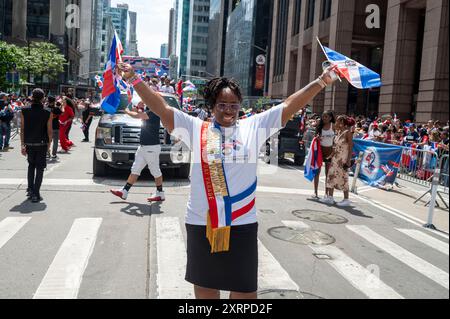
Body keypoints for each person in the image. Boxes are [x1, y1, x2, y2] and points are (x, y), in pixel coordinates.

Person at [118, 61, 338, 299]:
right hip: (202, 222)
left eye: (233, 104)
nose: (228, 110)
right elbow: (161, 108)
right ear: (212, 106)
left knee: (245, 293)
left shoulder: (253, 126)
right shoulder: (195, 128)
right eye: (222, 104)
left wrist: (322, 81)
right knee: (206, 290)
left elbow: (288, 104)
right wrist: (134, 79)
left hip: (242, 222)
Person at [110, 99, 165, 202]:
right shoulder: (149, 110)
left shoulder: (154, 111)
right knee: (135, 169)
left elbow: (138, 116)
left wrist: (129, 110)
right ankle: (124, 191)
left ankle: (160, 193)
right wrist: (137, 109)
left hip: (151, 147)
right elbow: (139, 114)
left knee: (155, 171)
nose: (144, 101)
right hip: (143, 147)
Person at [20, 89, 52, 203]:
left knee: (31, 166)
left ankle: (30, 189)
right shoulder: (47, 112)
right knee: (40, 168)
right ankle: (36, 193)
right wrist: (49, 145)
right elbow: (49, 131)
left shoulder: (24, 110)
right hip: (42, 143)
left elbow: (22, 129)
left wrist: (22, 145)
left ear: (32, 97)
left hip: (29, 143)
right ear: (43, 98)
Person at [320, 115, 355, 207]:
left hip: (342, 160)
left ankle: (346, 199)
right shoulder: (339, 132)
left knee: (343, 178)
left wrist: (348, 160)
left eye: (338, 121)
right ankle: (330, 197)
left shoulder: (348, 133)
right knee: (331, 176)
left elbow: (351, 147)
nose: (336, 123)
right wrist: (330, 156)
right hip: (335, 159)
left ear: (342, 123)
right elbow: (335, 147)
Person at [311, 110, 335, 200]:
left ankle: (326, 193)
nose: (324, 118)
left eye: (326, 116)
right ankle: (315, 192)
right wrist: (317, 138)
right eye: (323, 116)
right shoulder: (319, 126)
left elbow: (336, 139)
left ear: (330, 118)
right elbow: (315, 137)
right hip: (320, 150)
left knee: (328, 174)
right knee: (317, 172)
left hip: (329, 151)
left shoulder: (334, 126)